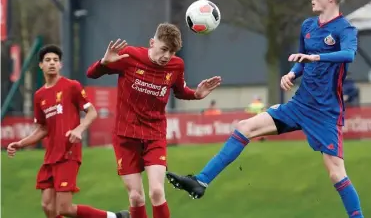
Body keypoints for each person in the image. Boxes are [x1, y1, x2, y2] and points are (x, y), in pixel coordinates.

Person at [166, 0, 364, 218]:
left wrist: (316, 58)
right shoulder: (308, 26)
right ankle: (201, 181)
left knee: (336, 173)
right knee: (244, 127)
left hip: (325, 112)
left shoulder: (346, 29)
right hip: (299, 104)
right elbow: (301, 59)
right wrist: (291, 74)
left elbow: (348, 55)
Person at [86, 23, 221, 218]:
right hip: (125, 135)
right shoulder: (129, 56)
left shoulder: (176, 66)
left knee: (157, 191)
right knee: (136, 197)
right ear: (152, 43)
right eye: (164, 49)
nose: (167, 56)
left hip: (154, 134)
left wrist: (197, 94)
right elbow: (91, 74)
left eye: (172, 51)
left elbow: (180, 91)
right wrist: (104, 63)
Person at [6, 45, 129, 218]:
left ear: (60, 65)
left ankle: (114, 217)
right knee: (47, 206)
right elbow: (42, 128)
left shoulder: (71, 86)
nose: (52, 63)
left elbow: (92, 112)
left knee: (64, 208)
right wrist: (21, 143)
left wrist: (79, 129)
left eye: (55, 60)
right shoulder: (39, 96)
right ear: (41, 65)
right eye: (48, 60)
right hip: (50, 157)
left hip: (68, 154)